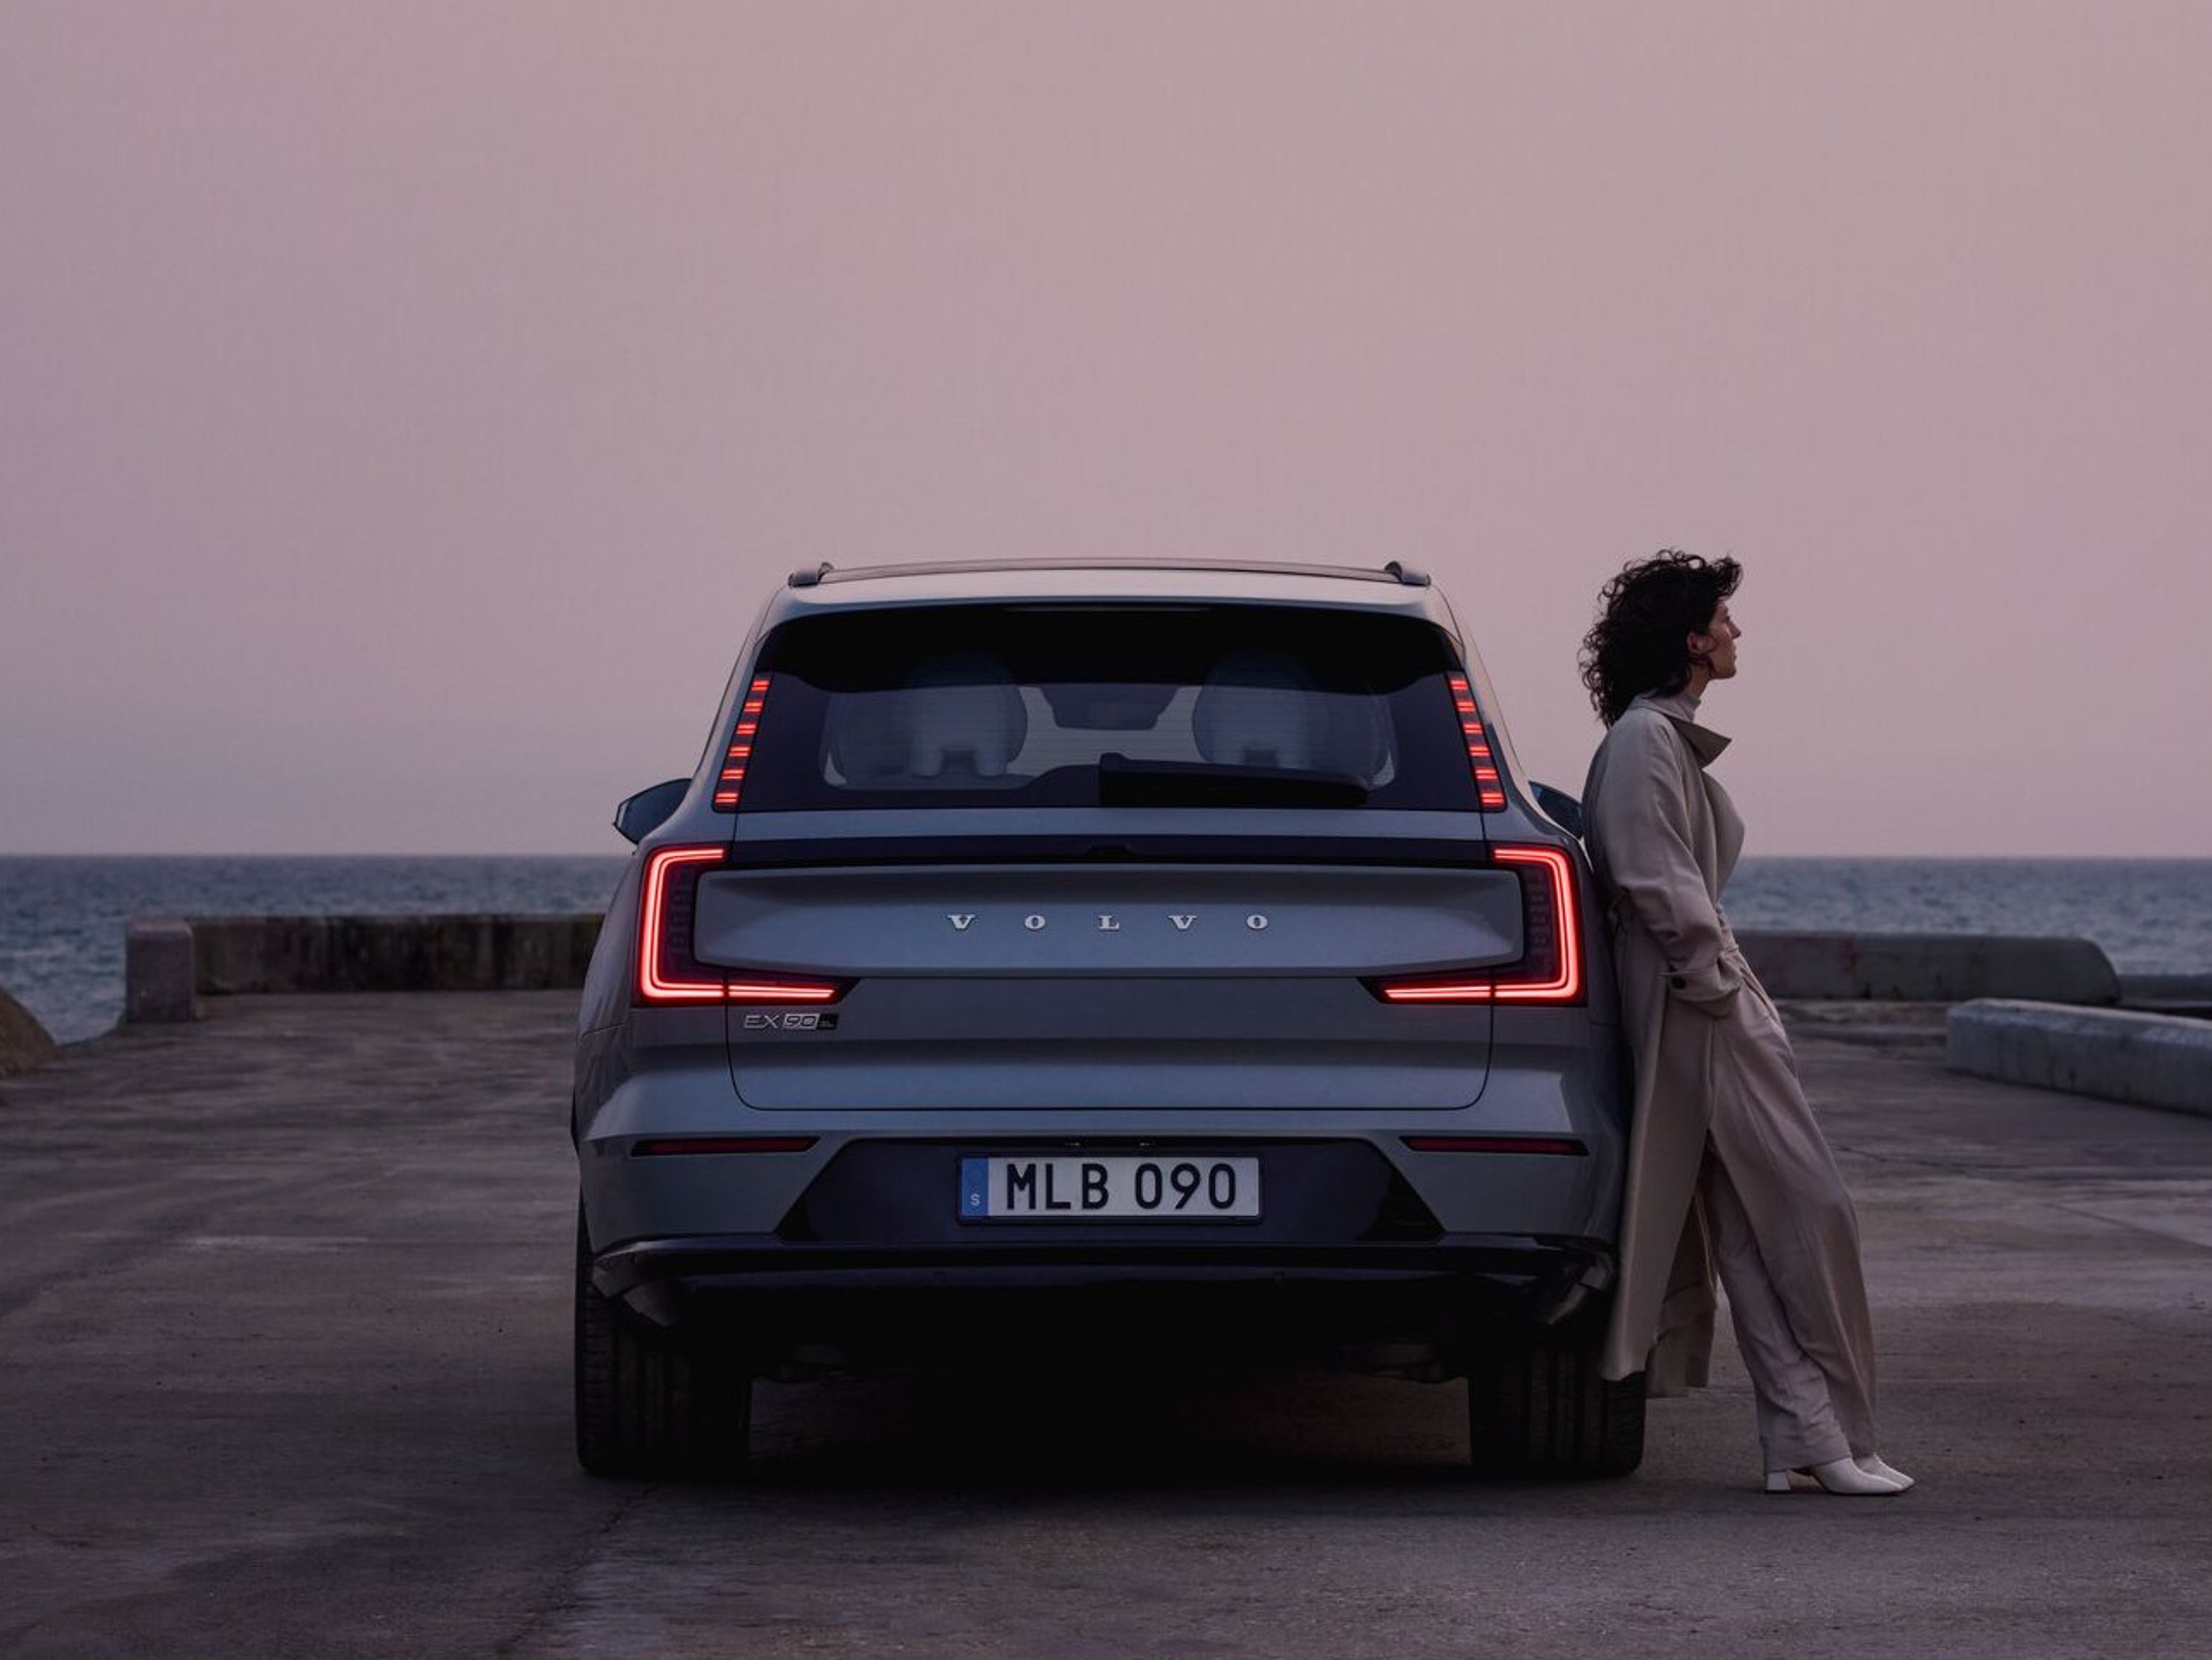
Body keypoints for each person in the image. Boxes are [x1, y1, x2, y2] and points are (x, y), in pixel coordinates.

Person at [1577, 551, 1914, 1496]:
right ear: (1691, 638)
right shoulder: (1644, 740)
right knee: (1811, 1208)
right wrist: (1725, 993)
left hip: (1695, 998)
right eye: (1724, 619)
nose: (1737, 633)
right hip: (1696, 1007)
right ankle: (1827, 1432)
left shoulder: (1656, 737)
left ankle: (1807, 1437)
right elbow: (1655, 882)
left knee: (1746, 1229)